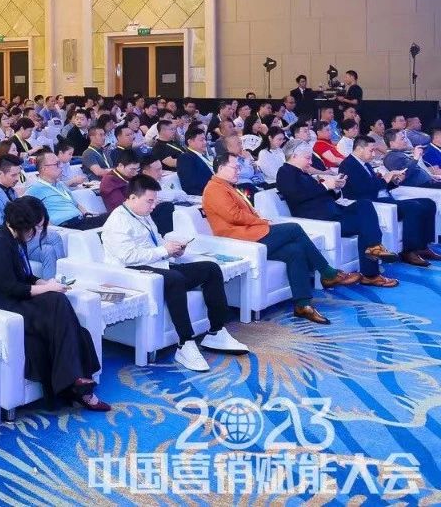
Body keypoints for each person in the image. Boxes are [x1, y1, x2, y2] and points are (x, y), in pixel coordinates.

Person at [0, 197, 108, 411]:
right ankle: (78, 386)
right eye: (36, 227)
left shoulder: (14, 238)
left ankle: (77, 383)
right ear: (23, 224)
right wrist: (47, 288)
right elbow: (12, 288)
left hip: (15, 300)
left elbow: (25, 276)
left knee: (74, 326)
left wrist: (44, 283)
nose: (37, 232)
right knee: (57, 302)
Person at [101, 175, 248, 371]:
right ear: (133, 198)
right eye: (149, 201)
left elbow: (155, 241)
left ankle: (216, 331)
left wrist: (172, 249)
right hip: (132, 273)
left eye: (155, 201)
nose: (153, 206)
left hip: (157, 265)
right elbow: (128, 257)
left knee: (211, 269)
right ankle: (185, 343)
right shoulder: (118, 221)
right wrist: (164, 250)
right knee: (174, 279)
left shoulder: (142, 214)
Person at [201, 153, 360, 324]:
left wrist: (259, 221)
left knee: (295, 251)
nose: (239, 171)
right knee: (294, 229)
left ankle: (302, 305)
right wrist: (261, 221)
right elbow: (234, 216)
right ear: (221, 168)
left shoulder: (228, 187)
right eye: (235, 167)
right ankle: (328, 273)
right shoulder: (214, 189)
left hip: (249, 233)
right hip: (238, 239)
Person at [275, 139, 402, 278]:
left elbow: (318, 194)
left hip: (332, 211)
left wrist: (335, 187)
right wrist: (325, 186)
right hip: (320, 219)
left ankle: (374, 248)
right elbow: (297, 195)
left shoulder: (301, 173)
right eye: (307, 158)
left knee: (364, 204)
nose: (310, 162)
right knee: (365, 225)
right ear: (294, 156)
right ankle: (371, 272)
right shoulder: (284, 172)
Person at [338, 135, 440, 264]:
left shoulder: (365, 164)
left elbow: (376, 185)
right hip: (369, 203)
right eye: (371, 150)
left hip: (381, 197)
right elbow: (362, 190)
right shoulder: (348, 165)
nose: (374, 154)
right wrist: (385, 179)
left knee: (429, 203)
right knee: (413, 207)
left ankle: (423, 246)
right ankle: (409, 251)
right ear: (359, 149)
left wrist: (393, 181)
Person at [25, 150, 108, 229]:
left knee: (113, 217)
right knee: (112, 218)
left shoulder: (60, 185)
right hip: (65, 225)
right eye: (57, 164)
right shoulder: (35, 189)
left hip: (80, 220)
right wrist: (52, 229)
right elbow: (26, 212)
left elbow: (76, 204)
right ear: (44, 169)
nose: (61, 166)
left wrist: (86, 213)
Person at [175, 127, 214, 196]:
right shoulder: (186, 158)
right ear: (190, 142)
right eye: (201, 140)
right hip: (206, 194)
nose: (205, 142)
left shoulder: (202, 156)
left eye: (205, 139)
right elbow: (190, 185)